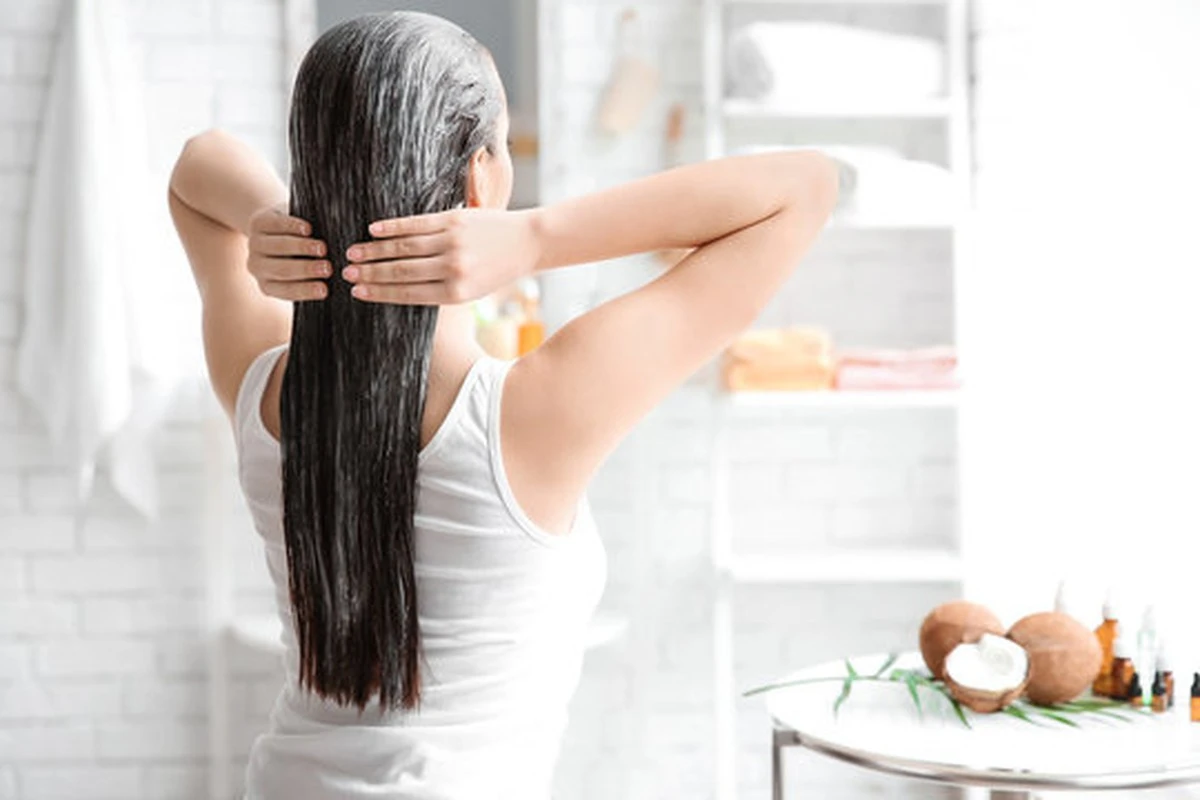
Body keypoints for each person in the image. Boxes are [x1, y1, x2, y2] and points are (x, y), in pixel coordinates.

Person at [168, 10, 836, 800]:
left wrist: (275, 222)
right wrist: (535, 239)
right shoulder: (533, 416)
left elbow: (195, 166)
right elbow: (804, 186)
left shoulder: (263, 390)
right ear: (482, 176)